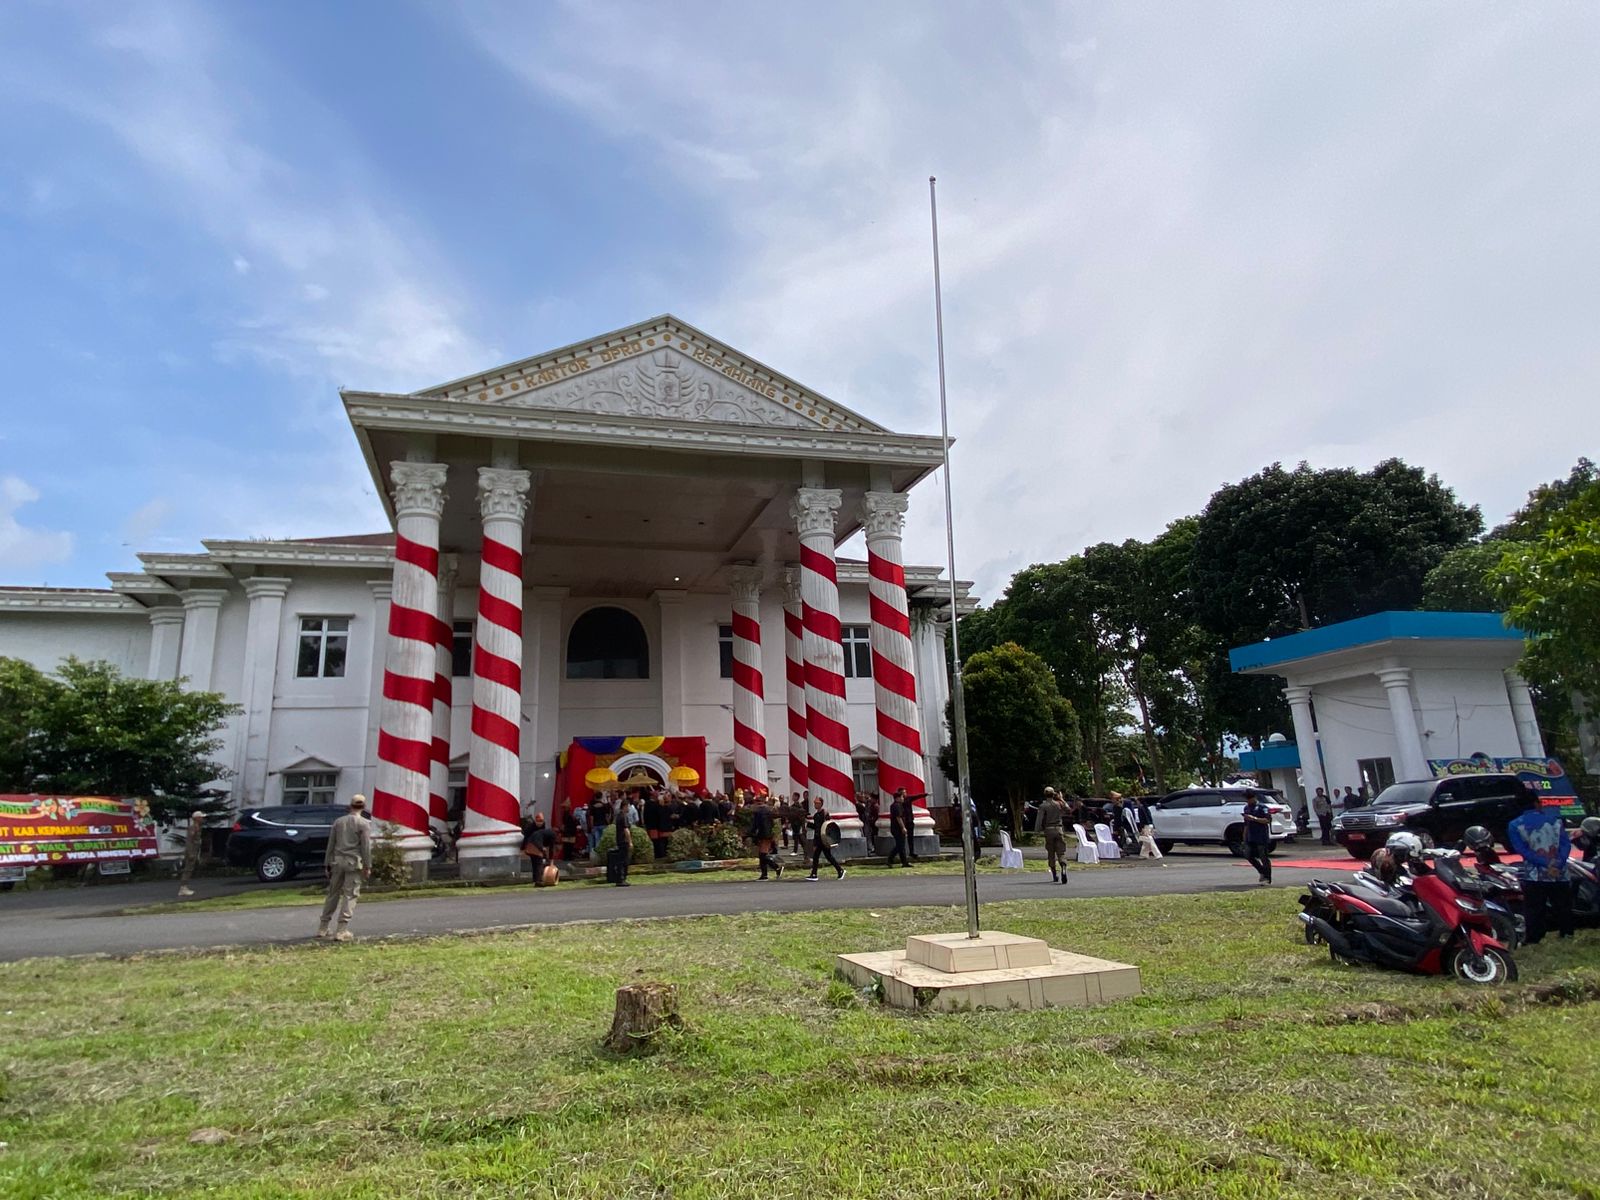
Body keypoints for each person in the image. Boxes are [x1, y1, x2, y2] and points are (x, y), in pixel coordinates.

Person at [1506, 786, 1573, 943]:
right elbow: (1565, 844)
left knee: (1535, 909)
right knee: (1563, 906)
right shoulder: (1555, 821)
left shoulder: (1515, 825)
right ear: (1537, 803)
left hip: (1534, 874)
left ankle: (1534, 938)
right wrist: (1558, 862)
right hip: (1560, 872)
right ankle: (1567, 933)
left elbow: (1522, 850)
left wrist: (1544, 863)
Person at [318, 794, 372, 941]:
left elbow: (331, 844)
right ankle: (341, 929)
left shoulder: (338, 822)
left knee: (333, 893)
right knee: (350, 895)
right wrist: (367, 865)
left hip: (337, 861)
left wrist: (327, 862)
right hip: (353, 863)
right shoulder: (364, 824)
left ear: (350, 806)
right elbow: (365, 847)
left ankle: (323, 926)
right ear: (364, 806)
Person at [806, 796, 846, 881]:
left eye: (816, 803)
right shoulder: (816, 815)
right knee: (823, 856)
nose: (815, 805)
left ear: (820, 804)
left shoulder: (824, 813)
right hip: (819, 838)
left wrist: (828, 839)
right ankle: (839, 870)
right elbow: (817, 828)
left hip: (823, 838)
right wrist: (808, 824)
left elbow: (827, 826)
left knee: (822, 856)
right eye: (814, 803)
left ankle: (815, 874)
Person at [748, 793, 784, 880]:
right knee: (762, 855)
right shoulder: (768, 810)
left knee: (763, 855)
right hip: (767, 833)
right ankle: (765, 874)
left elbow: (756, 824)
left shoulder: (759, 811)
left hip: (763, 834)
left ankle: (776, 868)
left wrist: (751, 833)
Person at [1240, 788, 1272, 885]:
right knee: (1248, 855)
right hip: (1251, 835)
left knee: (1263, 856)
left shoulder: (1262, 807)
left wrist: (1254, 818)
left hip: (1261, 835)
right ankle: (1261, 871)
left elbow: (1267, 820)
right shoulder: (1246, 808)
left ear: (1254, 797)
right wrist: (1244, 838)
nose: (1248, 801)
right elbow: (1246, 824)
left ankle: (1267, 877)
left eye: (1250, 798)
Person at [1037, 786, 1068, 884]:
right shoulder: (1059, 804)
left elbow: (1039, 820)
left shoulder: (1043, 806)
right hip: (1059, 829)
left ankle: (1055, 875)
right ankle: (1063, 866)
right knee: (1061, 852)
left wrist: (1037, 831)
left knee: (1051, 853)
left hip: (1049, 830)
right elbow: (1068, 808)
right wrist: (1061, 798)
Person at [176, 807, 206, 898]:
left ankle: (185, 887)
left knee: (190, 869)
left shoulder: (198, 827)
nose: (203, 819)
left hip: (195, 850)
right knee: (187, 869)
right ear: (197, 818)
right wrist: (191, 853)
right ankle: (183, 888)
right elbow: (189, 841)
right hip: (191, 851)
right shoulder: (193, 828)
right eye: (201, 817)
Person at [521, 811, 556, 886]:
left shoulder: (544, 830)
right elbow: (529, 838)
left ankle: (536, 879)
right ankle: (538, 880)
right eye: (538, 821)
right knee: (538, 862)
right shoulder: (531, 828)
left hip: (536, 843)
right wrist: (524, 848)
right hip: (533, 843)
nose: (540, 823)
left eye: (541, 821)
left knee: (536, 862)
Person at [886, 788, 912, 868]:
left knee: (901, 846)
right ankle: (890, 859)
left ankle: (904, 862)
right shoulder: (897, 806)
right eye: (902, 797)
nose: (903, 798)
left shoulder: (894, 805)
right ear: (897, 798)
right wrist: (903, 827)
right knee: (900, 846)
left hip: (895, 828)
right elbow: (898, 818)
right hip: (897, 829)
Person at [610, 798, 633, 887]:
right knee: (623, 861)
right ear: (625, 806)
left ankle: (620, 878)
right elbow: (626, 829)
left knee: (621, 860)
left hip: (620, 840)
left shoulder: (619, 816)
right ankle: (621, 878)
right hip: (623, 841)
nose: (629, 809)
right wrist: (630, 841)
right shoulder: (623, 816)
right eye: (628, 807)